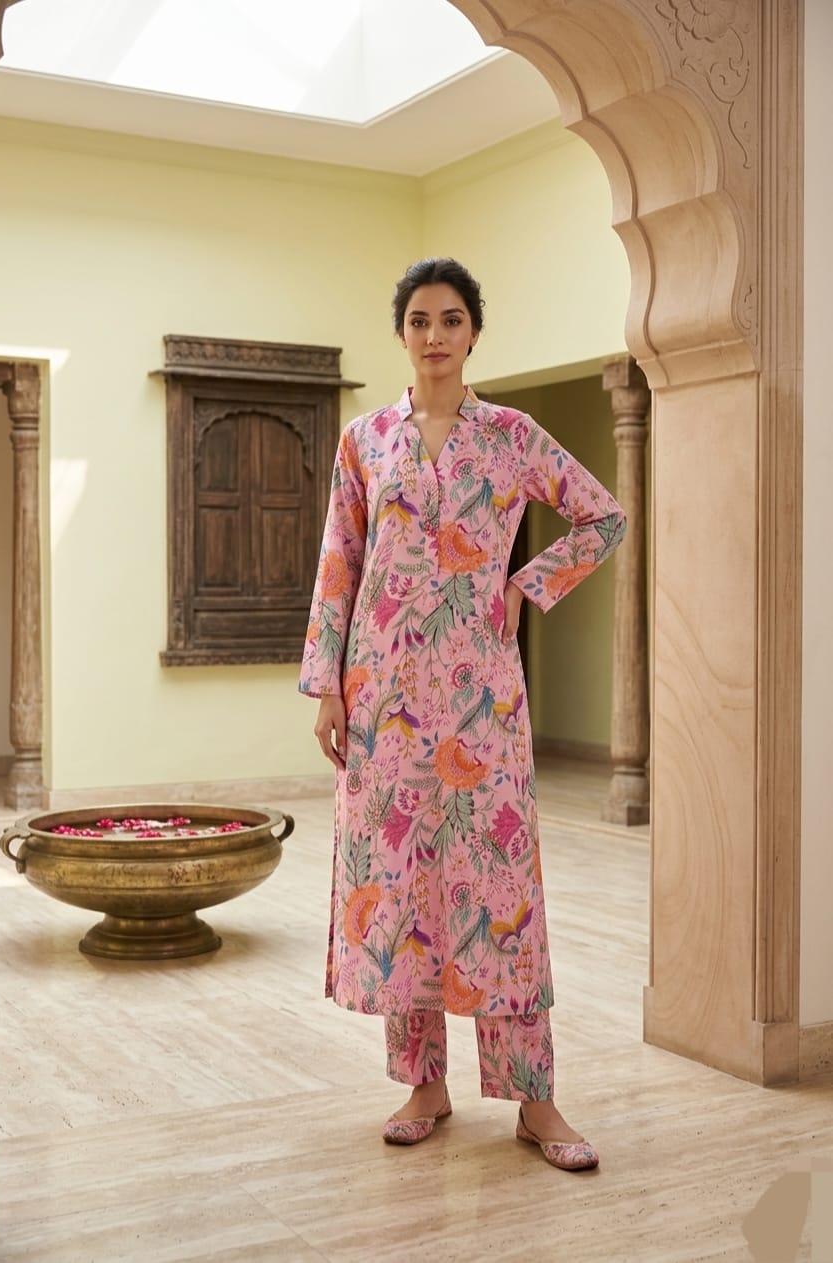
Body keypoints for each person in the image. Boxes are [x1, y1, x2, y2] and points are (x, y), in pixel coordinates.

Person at [299, 257, 626, 1171]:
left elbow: (602, 518)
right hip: (384, 696)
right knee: (402, 884)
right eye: (419, 319)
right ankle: (424, 1085)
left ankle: (535, 1099)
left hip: (483, 697)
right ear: (401, 334)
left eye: (450, 319)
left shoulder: (512, 437)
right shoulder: (366, 440)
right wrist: (328, 684)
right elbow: (340, 560)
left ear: (474, 332)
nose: (435, 334)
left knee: (499, 890)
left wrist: (526, 583)